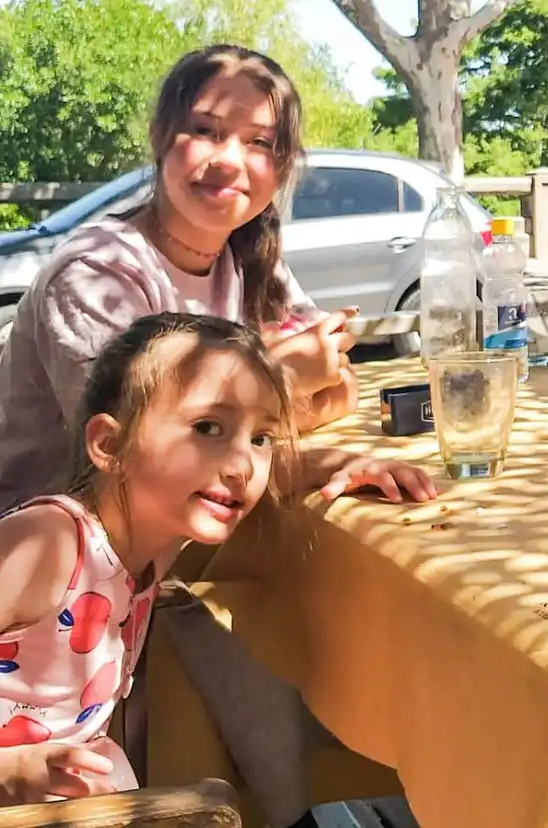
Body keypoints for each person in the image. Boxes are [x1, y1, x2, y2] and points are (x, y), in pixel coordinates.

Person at [0, 313, 432, 807]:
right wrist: (11, 770)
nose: (242, 466)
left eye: (260, 437)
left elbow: (278, 473)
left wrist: (348, 464)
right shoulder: (49, 545)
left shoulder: (156, 529)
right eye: (207, 427)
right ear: (110, 444)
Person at [0, 44, 360, 514]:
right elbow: (140, 458)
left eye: (259, 142)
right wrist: (280, 381)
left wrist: (228, 410)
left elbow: (342, 385)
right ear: (160, 137)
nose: (229, 160)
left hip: (171, 531)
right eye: (205, 130)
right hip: (51, 542)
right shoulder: (97, 274)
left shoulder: (250, 256)